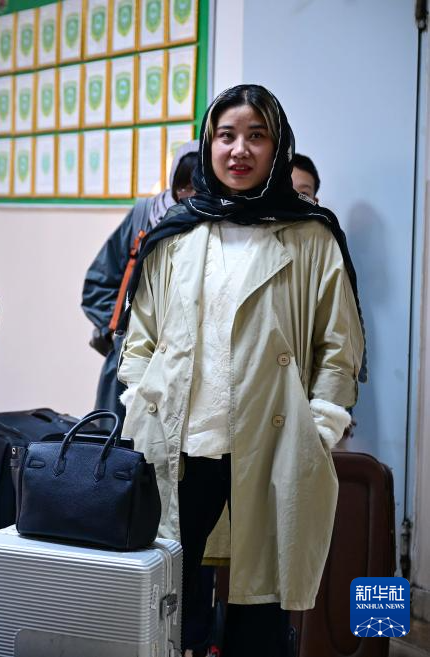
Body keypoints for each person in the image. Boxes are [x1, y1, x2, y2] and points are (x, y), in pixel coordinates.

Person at [116, 84, 364, 656]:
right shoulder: (178, 232)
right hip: (181, 441)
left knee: (262, 600)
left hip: (272, 441)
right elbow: (142, 333)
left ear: (278, 147)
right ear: (209, 145)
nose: (239, 150)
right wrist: (139, 398)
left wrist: (321, 425)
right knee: (171, 590)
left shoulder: (311, 235)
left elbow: (338, 344)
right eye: (226, 135)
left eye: (257, 135)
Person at [82, 140, 200, 424]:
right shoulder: (145, 216)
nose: (190, 197)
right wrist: (124, 332)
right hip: (129, 367)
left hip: (189, 369)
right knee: (119, 444)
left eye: (200, 188)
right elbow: (97, 285)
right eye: (184, 187)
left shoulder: (221, 227)